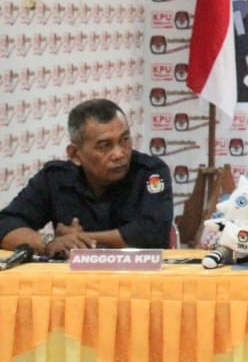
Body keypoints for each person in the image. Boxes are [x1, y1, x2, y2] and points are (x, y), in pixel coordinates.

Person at [0, 98, 173, 255]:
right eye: (105, 145)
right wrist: (48, 242)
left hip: (139, 276)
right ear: (75, 154)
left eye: (124, 139)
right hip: (72, 278)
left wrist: (79, 240)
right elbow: (6, 223)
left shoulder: (151, 172)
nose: (119, 153)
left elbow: (153, 232)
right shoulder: (54, 178)